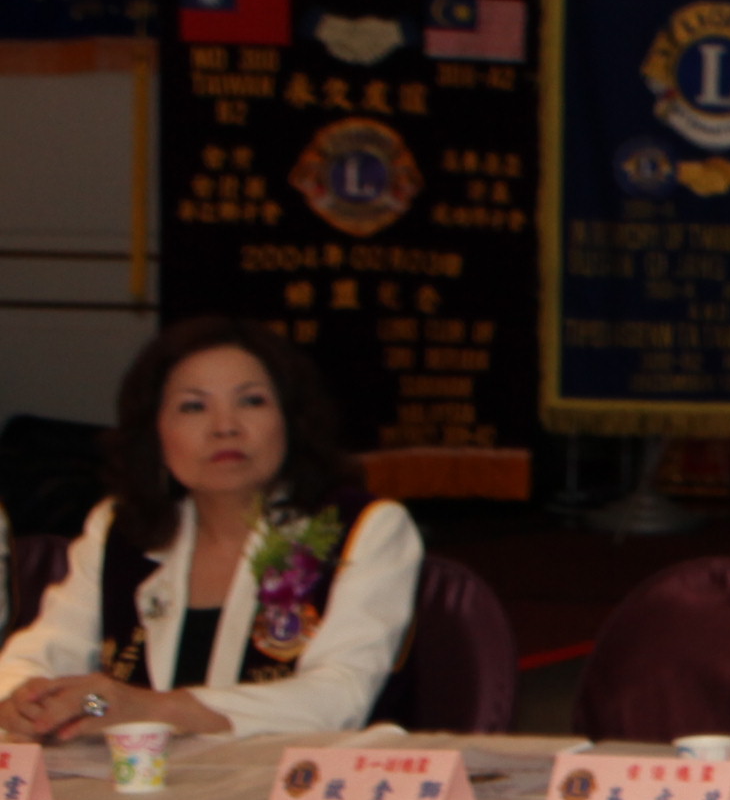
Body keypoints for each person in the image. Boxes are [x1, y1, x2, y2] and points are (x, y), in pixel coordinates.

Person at [0, 317, 424, 740]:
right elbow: (49, 656)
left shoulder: (364, 529)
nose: (225, 427)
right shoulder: (120, 529)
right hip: (140, 777)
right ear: (156, 432)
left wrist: (158, 708)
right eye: (193, 407)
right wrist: (26, 699)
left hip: (295, 775)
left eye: (251, 401)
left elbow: (341, 697)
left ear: (291, 420)